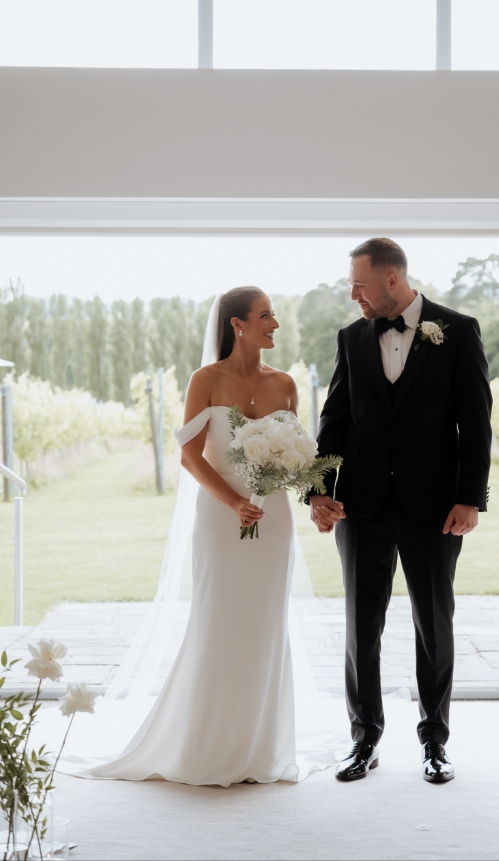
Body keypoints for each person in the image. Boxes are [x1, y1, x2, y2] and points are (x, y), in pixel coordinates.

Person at [80, 286, 326, 785]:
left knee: (266, 625)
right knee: (219, 620)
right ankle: (207, 744)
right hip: (221, 517)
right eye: (265, 316)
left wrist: (317, 497)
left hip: (271, 520)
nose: (274, 323)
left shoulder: (285, 384)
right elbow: (190, 454)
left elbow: (299, 456)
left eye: (273, 315)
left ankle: (260, 748)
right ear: (237, 324)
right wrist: (234, 500)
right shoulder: (205, 379)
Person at [309, 238, 492, 784]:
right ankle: (363, 740)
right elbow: (334, 419)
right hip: (359, 505)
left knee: (433, 623)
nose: (353, 296)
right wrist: (318, 490)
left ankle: (435, 742)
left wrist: (470, 497)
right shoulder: (350, 338)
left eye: (359, 285)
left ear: (391, 281)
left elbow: (476, 423)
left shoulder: (457, 330)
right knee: (361, 626)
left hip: (435, 505)